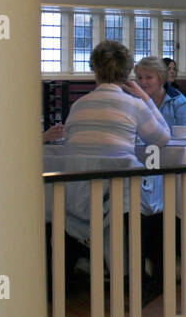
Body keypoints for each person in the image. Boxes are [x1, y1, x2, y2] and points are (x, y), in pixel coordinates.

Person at [63, 40, 169, 301]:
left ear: (95, 72)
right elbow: (162, 139)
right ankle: (148, 277)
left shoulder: (79, 106)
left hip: (77, 196)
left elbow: (68, 140)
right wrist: (146, 99)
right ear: (127, 73)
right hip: (120, 199)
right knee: (159, 197)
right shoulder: (133, 105)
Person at [135, 55, 186, 130]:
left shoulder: (178, 101)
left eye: (149, 77)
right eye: (140, 78)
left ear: (161, 78)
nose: (143, 82)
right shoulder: (135, 99)